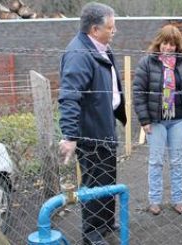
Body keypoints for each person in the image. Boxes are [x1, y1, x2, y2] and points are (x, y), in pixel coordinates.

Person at [58, 2, 126, 244]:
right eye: (111, 27)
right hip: (91, 133)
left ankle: (106, 223)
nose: (114, 30)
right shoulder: (79, 54)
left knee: (108, 179)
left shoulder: (100, 48)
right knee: (94, 182)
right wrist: (70, 135)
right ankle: (92, 233)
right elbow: (69, 96)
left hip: (105, 127)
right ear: (95, 29)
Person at [133, 24, 182, 216]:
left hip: (179, 120)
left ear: (178, 46)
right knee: (156, 161)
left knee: (177, 161)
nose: (168, 47)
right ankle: (154, 200)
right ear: (159, 42)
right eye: (165, 43)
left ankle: (177, 200)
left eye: (172, 44)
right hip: (155, 120)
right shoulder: (147, 62)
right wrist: (144, 120)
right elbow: (138, 92)